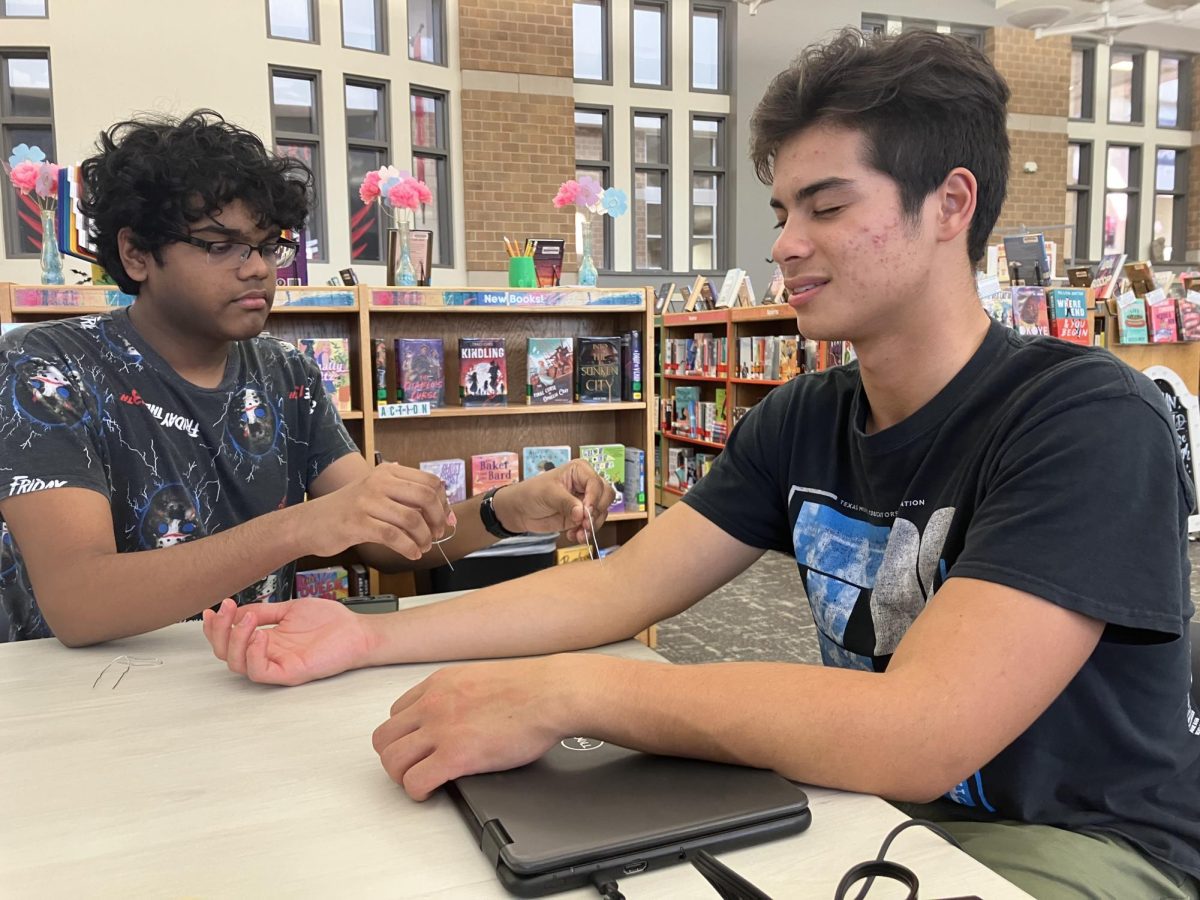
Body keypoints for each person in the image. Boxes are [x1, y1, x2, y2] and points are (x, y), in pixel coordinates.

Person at [203, 33, 1200, 899]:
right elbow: (619, 588)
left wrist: (565, 695)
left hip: (1085, 846)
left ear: (950, 206)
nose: (786, 247)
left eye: (825, 206)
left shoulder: (1083, 418)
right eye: (780, 212)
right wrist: (364, 639)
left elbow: (922, 728)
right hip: (873, 808)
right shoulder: (804, 415)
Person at [0, 110, 613, 647]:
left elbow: (383, 540)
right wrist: (303, 525)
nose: (258, 269)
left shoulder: (285, 371)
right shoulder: (48, 367)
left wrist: (509, 510)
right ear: (136, 254)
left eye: (269, 246)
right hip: (86, 706)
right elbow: (79, 602)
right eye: (222, 245)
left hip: (255, 679)